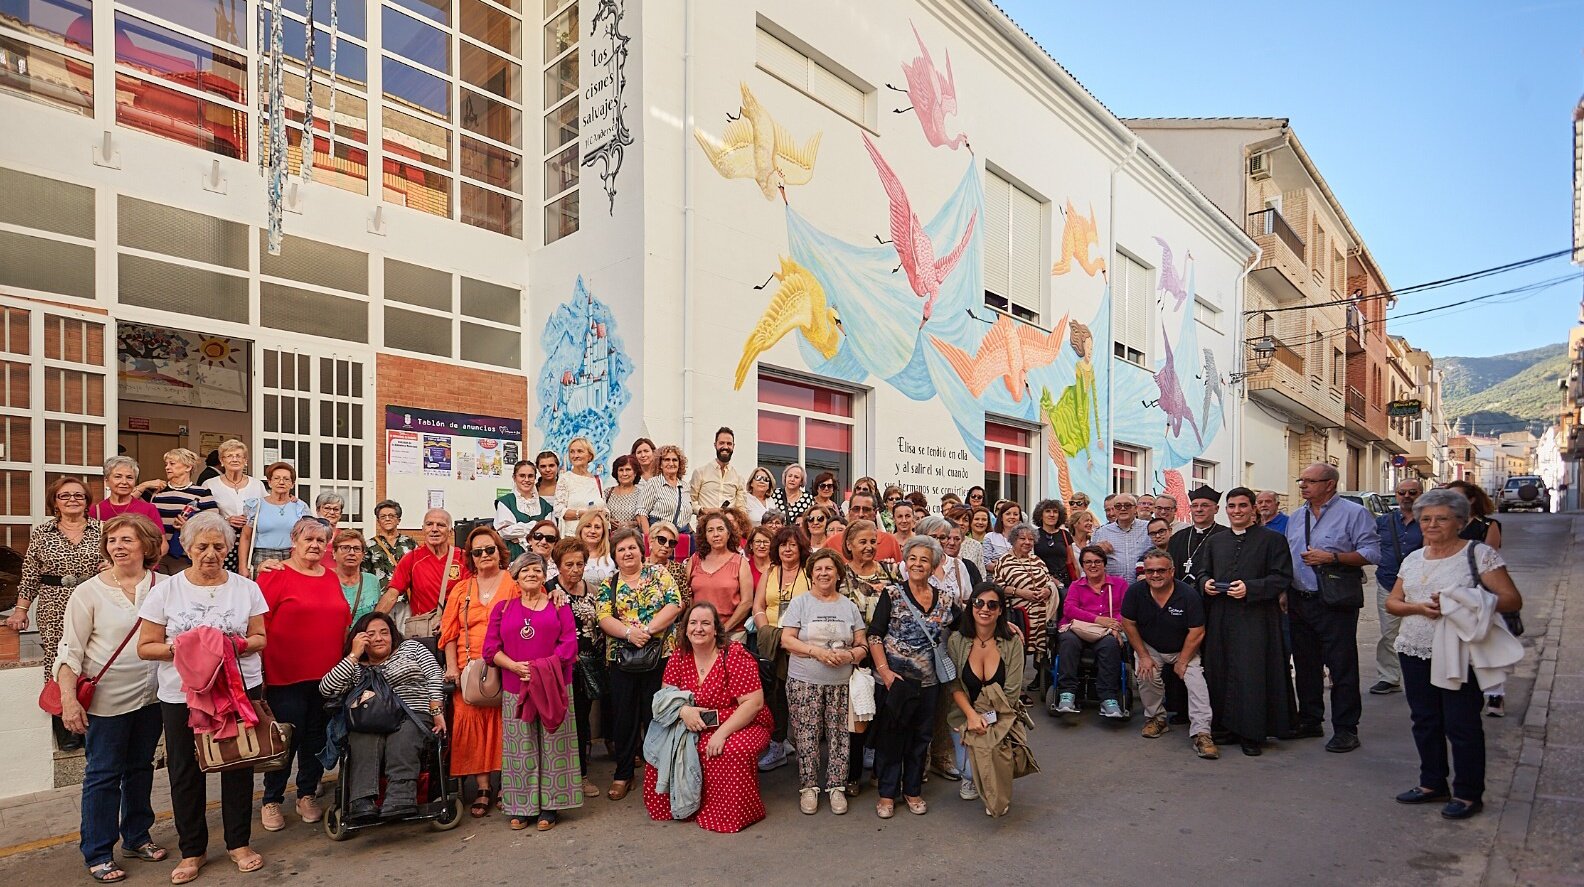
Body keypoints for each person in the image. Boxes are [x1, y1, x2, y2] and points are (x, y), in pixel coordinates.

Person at [135, 512, 266, 884]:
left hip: (238, 690)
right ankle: (192, 850)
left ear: (227, 549)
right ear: (188, 548)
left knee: (238, 764)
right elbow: (146, 647)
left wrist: (228, 645)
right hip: (182, 696)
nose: (210, 553)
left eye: (218, 546)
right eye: (201, 546)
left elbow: (260, 639)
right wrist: (189, 648)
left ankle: (238, 843)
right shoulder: (165, 591)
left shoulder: (246, 588)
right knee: (185, 771)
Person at [1385, 487, 1523, 821]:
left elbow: (1511, 599)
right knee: (1425, 720)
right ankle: (1432, 782)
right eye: (1426, 518)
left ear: (1459, 522)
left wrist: (1466, 598)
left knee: (1461, 724)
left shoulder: (1478, 555)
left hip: (1460, 651)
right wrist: (1419, 607)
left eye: (1441, 518)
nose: (1432, 525)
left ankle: (1467, 793)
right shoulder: (1413, 558)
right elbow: (1393, 602)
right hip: (1414, 648)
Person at [56, 514, 166, 882]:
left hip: (153, 699)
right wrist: (69, 701)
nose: (118, 547)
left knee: (140, 769)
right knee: (103, 775)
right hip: (107, 703)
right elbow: (69, 652)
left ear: (146, 546)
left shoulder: (165, 586)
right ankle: (99, 850)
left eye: (127, 540)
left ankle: (137, 837)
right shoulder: (88, 591)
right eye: (112, 541)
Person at [254, 518, 350, 832]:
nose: (314, 545)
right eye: (308, 539)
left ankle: (307, 793)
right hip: (286, 675)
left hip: (328, 677)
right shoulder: (275, 575)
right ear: (294, 540)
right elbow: (259, 625)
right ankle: (271, 798)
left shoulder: (331, 577)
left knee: (316, 738)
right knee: (285, 740)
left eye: (321, 541)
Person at [643, 602, 773, 832]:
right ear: (685, 629)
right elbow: (666, 696)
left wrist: (722, 733)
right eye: (693, 623)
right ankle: (685, 807)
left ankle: (728, 814)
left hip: (740, 721)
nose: (698, 628)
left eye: (705, 623)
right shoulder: (679, 656)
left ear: (716, 629)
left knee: (731, 750)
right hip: (693, 722)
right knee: (665, 748)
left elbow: (753, 703)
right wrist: (684, 711)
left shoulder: (734, 655)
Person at [1283, 462, 1381, 753]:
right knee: (1305, 664)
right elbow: (1289, 557)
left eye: (1310, 481)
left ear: (1329, 484)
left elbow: (1373, 552)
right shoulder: (1296, 517)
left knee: (1342, 666)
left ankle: (1346, 729)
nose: (1303, 485)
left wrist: (1332, 558)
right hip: (1300, 599)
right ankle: (1310, 720)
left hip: (1335, 602)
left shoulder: (1355, 514)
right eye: (1302, 480)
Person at [1195, 488, 1296, 756]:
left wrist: (1250, 588)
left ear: (1253, 509)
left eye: (1242, 506)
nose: (1237, 511)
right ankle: (1226, 727)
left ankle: (1252, 732)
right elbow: (1202, 571)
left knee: (1251, 673)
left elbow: (1282, 577)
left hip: (1257, 617)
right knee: (1221, 668)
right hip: (1221, 616)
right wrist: (1206, 584)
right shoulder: (1216, 541)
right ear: (1226, 510)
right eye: (1232, 506)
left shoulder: (1273, 540)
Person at [486, 552, 582, 831]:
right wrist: (516, 667)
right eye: (524, 570)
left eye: (537, 570)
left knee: (555, 745)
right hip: (516, 687)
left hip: (554, 685)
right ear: (515, 577)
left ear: (544, 576)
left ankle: (551, 806)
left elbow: (568, 647)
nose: (531, 574)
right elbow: (491, 650)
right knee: (521, 748)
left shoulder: (559, 606)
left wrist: (540, 669)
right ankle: (522, 807)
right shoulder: (503, 609)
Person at [318, 612, 445, 822]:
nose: (379, 638)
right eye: (371, 634)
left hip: (413, 712)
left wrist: (437, 711)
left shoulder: (411, 649)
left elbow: (434, 676)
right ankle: (361, 801)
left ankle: (401, 797)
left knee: (403, 737)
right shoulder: (356, 667)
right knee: (361, 737)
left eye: (384, 632)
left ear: (393, 634)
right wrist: (353, 655)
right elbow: (326, 689)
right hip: (371, 718)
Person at [11, 476, 102, 751]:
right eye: (65, 496)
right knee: (58, 658)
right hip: (53, 603)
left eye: (79, 495)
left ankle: (95, 720)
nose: (73, 499)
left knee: (95, 656)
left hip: (94, 601)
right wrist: (20, 609)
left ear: (87, 501)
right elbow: (30, 574)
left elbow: (114, 560)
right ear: (55, 502)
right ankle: (65, 722)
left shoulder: (102, 529)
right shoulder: (42, 532)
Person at [866, 536, 954, 819]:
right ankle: (887, 794)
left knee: (920, 739)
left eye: (924, 560)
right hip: (895, 681)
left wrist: (1006, 625)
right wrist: (885, 672)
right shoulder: (891, 593)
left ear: (934, 565)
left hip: (929, 683)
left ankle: (913, 790)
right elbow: (875, 634)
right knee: (891, 739)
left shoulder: (946, 599)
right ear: (905, 562)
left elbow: (969, 623)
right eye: (913, 558)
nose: (917, 564)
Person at [597, 527, 684, 800]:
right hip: (622, 659)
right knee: (624, 718)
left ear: (641, 549)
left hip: (660, 655)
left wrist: (646, 630)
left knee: (657, 715)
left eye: (631, 547)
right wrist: (627, 633)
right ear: (614, 555)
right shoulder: (608, 584)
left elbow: (675, 603)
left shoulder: (658, 574)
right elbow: (603, 617)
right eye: (621, 549)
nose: (627, 553)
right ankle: (623, 774)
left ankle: (660, 772)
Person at [780, 548, 867, 815]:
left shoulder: (849, 606)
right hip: (804, 680)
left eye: (829, 568)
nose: (823, 573)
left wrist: (849, 655)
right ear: (811, 574)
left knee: (840, 735)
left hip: (841, 682)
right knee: (806, 736)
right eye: (818, 569)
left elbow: (863, 644)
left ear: (838, 573)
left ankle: (836, 787)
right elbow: (787, 639)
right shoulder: (800, 603)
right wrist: (816, 652)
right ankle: (809, 787)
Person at [440, 525, 519, 818]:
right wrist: (451, 668)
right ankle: (483, 786)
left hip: (506, 665)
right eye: (478, 552)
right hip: (469, 667)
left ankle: (506, 785)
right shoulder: (461, 589)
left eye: (490, 549)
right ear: (471, 558)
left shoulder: (514, 584)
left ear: (499, 551)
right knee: (470, 722)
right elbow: (448, 632)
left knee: (505, 724)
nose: (485, 555)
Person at [1121, 548, 1217, 760]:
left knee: (1197, 684)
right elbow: (1128, 623)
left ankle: (1202, 733)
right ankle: (1156, 719)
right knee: (1146, 674)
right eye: (1150, 571)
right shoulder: (1135, 592)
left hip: (1184, 648)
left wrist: (1182, 661)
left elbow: (1197, 631)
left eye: (1161, 570)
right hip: (1151, 648)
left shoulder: (1188, 595)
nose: (1155, 575)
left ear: (1172, 571)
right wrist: (1144, 656)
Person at [945, 582, 1025, 814]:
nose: (985, 609)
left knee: (995, 754)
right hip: (963, 715)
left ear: (1000, 610)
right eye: (979, 602)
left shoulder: (1012, 644)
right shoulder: (957, 642)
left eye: (993, 604)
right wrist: (970, 718)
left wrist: (985, 722)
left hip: (1001, 716)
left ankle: (998, 781)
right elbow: (954, 683)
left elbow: (1011, 693)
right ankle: (970, 776)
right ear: (971, 606)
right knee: (970, 771)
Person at [548, 538, 605, 799]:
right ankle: (558, 775)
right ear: (557, 565)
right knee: (560, 721)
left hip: (590, 665)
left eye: (579, 564)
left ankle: (581, 775)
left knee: (582, 721)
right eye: (568, 564)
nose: (575, 569)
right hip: (560, 666)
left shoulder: (593, 589)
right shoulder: (548, 590)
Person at [1446, 480, 1507, 717]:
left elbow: (1490, 556)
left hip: (1479, 589)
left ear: (1471, 499)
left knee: (1486, 643)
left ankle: (1495, 693)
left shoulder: (1488, 524)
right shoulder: (1445, 523)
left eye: (1456, 496)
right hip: (1450, 588)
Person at [751, 525, 810, 772]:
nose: (787, 548)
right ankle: (777, 745)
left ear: (801, 548)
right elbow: (758, 606)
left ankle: (803, 748)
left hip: (800, 642)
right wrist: (766, 631)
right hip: (772, 642)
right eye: (783, 544)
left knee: (799, 696)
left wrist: (791, 636)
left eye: (793, 544)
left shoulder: (809, 573)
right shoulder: (770, 572)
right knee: (774, 696)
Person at [1052, 545, 1128, 718]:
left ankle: (1108, 697)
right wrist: (1097, 619)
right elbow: (1069, 609)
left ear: (1104, 563)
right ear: (1082, 565)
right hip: (1079, 628)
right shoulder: (1076, 586)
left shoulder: (1119, 585)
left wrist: (1115, 625)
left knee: (1110, 644)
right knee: (1068, 641)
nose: (1092, 566)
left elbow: (1126, 611)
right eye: (1088, 562)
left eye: (1097, 561)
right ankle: (1067, 693)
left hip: (1106, 631)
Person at [1372, 479, 1425, 696]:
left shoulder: (1429, 521)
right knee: (1389, 633)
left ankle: (1427, 677)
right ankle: (1389, 677)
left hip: (1421, 585)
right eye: (1401, 492)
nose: (1406, 496)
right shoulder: (1384, 521)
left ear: (1421, 493)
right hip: (1388, 582)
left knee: (1422, 632)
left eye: (1412, 492)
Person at [388, 508, 472, 645]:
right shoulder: (412, 559)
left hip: (458, 632)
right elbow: (392, 595)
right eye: (429, 524)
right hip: (425, 634)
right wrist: (372, 621)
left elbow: (470, 597)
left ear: (450, 532)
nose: (434, 529)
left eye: (441, 525)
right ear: (423, 529)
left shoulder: (463, 558)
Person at [990, 523, 1054, 676]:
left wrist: (1047, 590)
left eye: (1031, 539)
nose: (1027, 542)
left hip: (1041, 616)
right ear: (1013, 540)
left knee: (1043, 652)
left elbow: (1049, 580)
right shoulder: (1004, 561)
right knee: (1018, 654)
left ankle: (1039, 682)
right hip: (1018, 615)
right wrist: (1020, 593)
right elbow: (998, 588)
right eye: (1022, 538)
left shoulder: (1037, 560)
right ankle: (1017, 689)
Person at [149, 448, 219, 573]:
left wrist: (188, 526)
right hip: (158, 555)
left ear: (188, 467)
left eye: (172, 464)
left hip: (186, 556)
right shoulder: (157, 493)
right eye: (166, 464)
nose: (167, 468)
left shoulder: (202, 493)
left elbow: (213, 524)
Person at [240, 462, 312, 579]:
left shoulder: (300, 506)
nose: (281, 482)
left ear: (292, 484)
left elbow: (308, 535)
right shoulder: (256, 505)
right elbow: (246, 537)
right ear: (269, 482)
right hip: (263, 556)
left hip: (293, 556)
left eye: (286, 479)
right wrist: (243, 567)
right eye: (276, 478)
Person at [689, 510, 753, 640]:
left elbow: (747, 602)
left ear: (728, 533)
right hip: (699, 633)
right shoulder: (695, 560)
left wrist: (724, 629)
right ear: (705, 535)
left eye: (720, 529)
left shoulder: (740, 562)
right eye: (710, 530)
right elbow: (688, 596)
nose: (716, 534)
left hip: (732, 633)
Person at [495, 459, 556, 559]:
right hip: (513, 554)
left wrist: (518, 535)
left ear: (535, 478)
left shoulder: (545, 506)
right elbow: (505, 531)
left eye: (530, 476)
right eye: (522, 476)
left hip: (540, 556)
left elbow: (549, 533)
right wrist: (535, 526)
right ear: (514, 478)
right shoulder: (506, 502)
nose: (526, 480)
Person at [638, 444, 693, 550]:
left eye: (674, 460)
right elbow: (642, 512)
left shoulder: (685, 486)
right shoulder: (653, 483)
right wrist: (649, 540)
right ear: (660, 464)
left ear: (679, 463)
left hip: (682, 541)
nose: (671, 463)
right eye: (666, 460)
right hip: (660, 541)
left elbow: (685, 514)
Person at [1168, 486, 1226, 587]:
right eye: (1195, 506)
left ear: (1216, 509)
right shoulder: (1177, 537)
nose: (1199, 510)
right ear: (1190, 509)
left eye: (1205, 505)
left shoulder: (1226, 536)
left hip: (1211, 595)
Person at [91, 456, 167, 532]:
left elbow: (162, 543)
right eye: (118, 477)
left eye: (129, 477)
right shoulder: (95, 511)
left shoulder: (148, 509)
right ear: (106, 481)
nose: (124, 482)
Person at [832, 491, 903, 563]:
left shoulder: (890, 541)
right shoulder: (832, 543)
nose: (861, 514)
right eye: (856, 509)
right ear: (849, 512)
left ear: (875, 513)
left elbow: (900, 571)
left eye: (866, 510)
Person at [690, 427, 747, 515]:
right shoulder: (700, 472)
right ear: (715, 445)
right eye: (721, 443)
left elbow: (741, 509)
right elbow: (689, 501)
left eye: (729, 444)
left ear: (733, 446)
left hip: (728, 527)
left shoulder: (738, 477)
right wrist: (703, 510)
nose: (725, 447)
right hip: (705, 526)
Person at [554, 437, 604, 537]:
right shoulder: (565, 479)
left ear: (590, 456)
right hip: (573, 538)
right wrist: (584, 514)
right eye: (572, 452)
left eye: (580, 451)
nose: (575, 455)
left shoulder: (597, 480)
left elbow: (603, 506)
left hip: (595, 538)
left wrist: (604, 514)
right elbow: (559, 511)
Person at [1093, 494, 1150, 579]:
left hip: (1143, 586)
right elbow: (1091, 558)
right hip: (1113, 587)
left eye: (1127, 505)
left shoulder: (1148, 528)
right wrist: (1097, 550)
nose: (1123, 509)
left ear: (1136, 509)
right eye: (1118, 506)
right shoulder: (1101, 532)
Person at [363, 499, 417, 589]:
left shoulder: (410, 543)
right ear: (378, 521)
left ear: (398, 520)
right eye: (383, 517)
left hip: (406, 598)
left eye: (391, 516)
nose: (387, 519)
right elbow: (364, 575)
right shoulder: (369, 545)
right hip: (380, 598)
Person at [331, 529, 383, 622]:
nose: (351, 553)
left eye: (357, 549)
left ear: (363, 555)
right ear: (334, 553)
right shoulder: (325, 578)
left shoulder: (372, 581)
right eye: (345, 548)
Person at [1032, 498, 1076, 587]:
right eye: (1048, 511)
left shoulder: (1065, 534)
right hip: (1042, 582)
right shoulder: (1033, 535)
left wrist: (1077, 584)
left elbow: (1072, 562)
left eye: (1055, 512)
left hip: (1065, 582)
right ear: (1041, 515)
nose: (1052, 515)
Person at [646, 520, 690, 610]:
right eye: (662, 540)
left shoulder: (678, 569)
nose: (666, 545)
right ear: (651, 541)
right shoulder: (639, 566)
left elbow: (685, 600)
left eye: (672, 543)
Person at [574, 510, 617, 586]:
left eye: (597, 527)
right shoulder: (570, 554)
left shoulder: (613, 555)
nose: (593, 531)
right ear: (580, 529)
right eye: (588, 526)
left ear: (603, 531)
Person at [604, 455, 644, 531]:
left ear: (635, 473)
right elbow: (600, 514)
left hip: (631, 538)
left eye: (628, 470)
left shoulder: (641, 494)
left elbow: (644, 521)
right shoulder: (607, 492)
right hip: (609, 539)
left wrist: (632, 524)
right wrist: (609, 521)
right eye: (621, 470)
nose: (624, 474)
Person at [981, 502, 1023, 569]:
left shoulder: (1026, 539)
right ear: (1001, 518)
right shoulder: (990, 537)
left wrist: (999, 564)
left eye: (1015, 514)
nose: (1012, 517)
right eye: (1008, 514)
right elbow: (986, 563)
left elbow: (1028, 562)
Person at [745, 525, 775, 593]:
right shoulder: (745, 567)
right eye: (758, 542)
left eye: (766, 542)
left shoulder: (778, 566)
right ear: (751, 545)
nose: (762, 546)